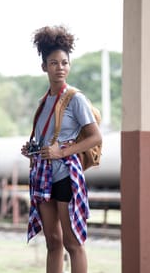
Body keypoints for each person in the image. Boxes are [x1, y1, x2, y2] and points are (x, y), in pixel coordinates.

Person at [21, 25, 102, 273]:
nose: (60, 68)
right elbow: (47, 138)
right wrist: (33, 150)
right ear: (44, 66)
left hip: (66, 175)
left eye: (65, 63)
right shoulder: (43, 102)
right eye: (54, 63)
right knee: (53, 242)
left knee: (72, 242)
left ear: (70, 65)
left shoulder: (75, 98)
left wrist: (61, 153)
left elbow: (95, 137)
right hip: (43, 176)